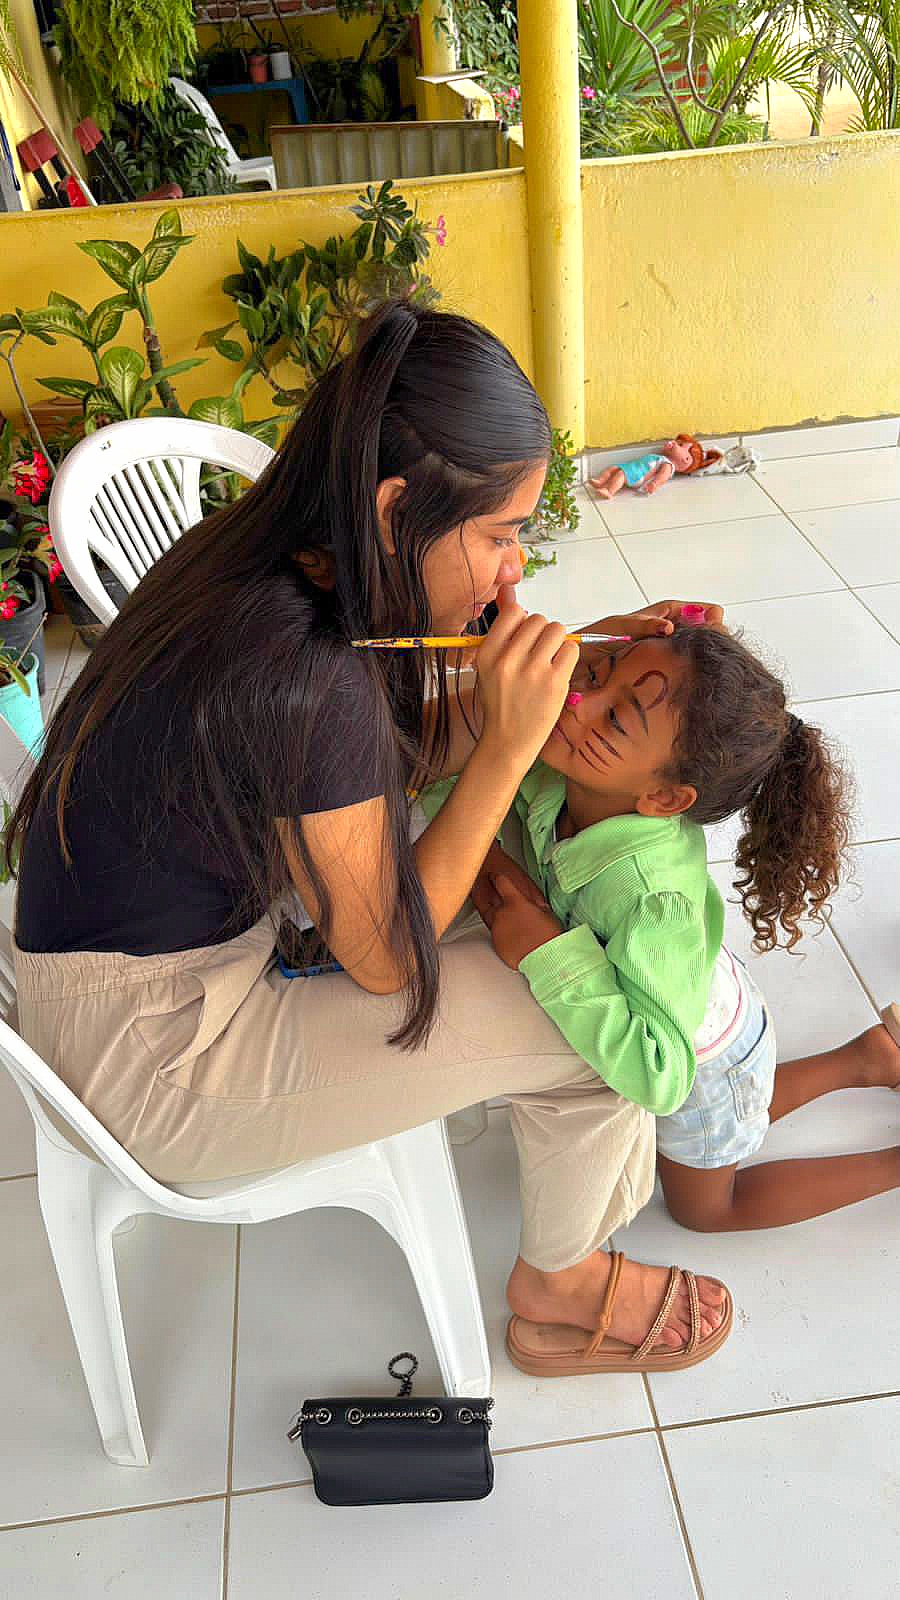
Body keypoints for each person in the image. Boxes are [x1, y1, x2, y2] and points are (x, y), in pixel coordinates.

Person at [8, 298, 732, 1376]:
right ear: (397, 509)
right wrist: (506, 746)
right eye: (499, 536)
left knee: (532, 920)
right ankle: (558, 1294)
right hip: (156, 1056)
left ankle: (561, 1208)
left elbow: (368, 755)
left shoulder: (269, 554)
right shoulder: (306, 679)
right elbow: (389, 956)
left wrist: (556, 676)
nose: (513, 575)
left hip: (105, 973)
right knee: (604, 1026)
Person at [466, 623, 900, 1374]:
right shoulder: (573, 776)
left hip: (701, 1060)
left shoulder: (649, 893)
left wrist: (545, 951)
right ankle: (868, 1059)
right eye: (598, 671)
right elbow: (485, 794)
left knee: (707, 1207)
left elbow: (663, 1077)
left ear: (665, 796)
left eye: (616, 716)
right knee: (730, 1116)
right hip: (706, 1016)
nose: (578, 699)